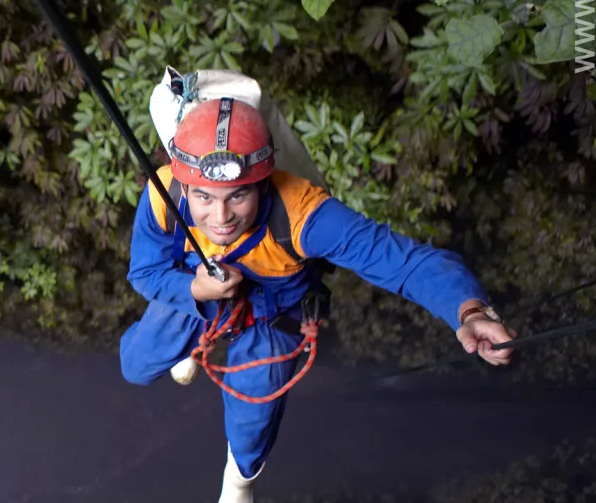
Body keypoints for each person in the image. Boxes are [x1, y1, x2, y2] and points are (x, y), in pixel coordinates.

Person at [117, 97, 517, 502]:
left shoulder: (303, 215)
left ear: (261, 182)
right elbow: (146, 272)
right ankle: (192, 342)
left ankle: (238, 481)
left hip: (273, 317)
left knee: (251, 423)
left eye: (238, 196)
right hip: (194, 291)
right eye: (204, 198)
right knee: (135, 365)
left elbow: (404, 263)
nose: (221, 217)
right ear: (184, 185)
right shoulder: (163, 194)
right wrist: (194, 292)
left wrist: (468, 310)